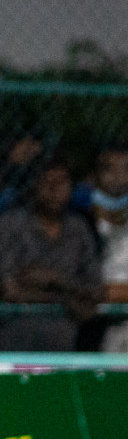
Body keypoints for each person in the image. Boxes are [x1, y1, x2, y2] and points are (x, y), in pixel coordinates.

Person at [0, 156, 101, 352]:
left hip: (64, 347)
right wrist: (67, 298)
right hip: (13, 344)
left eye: (61, 182)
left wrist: (53, 279)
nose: (54, 189)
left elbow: (94, 290)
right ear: (33, 187)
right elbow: (10, 291)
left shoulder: (79, 228)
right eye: (47, 182)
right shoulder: (11, 224)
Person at [93, 144, 128, 352]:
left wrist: (109, 293)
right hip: (88, 324)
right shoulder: (80, 224)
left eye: (125, 169)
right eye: (109, 169)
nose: (118, 177)